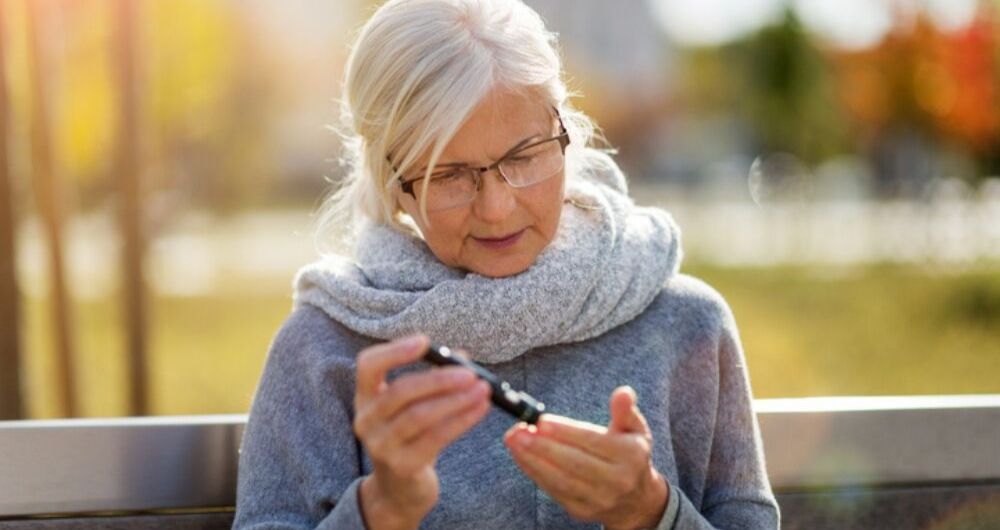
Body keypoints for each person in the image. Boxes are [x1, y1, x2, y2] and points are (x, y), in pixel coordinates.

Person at [232, 0, 780, 528]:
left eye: (524, 156)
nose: (497, 208)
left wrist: (649, 512)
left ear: (566, 137)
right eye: (447, 175)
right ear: (392, 185)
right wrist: (381, 510)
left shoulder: (689, 325)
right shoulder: (322, 349)